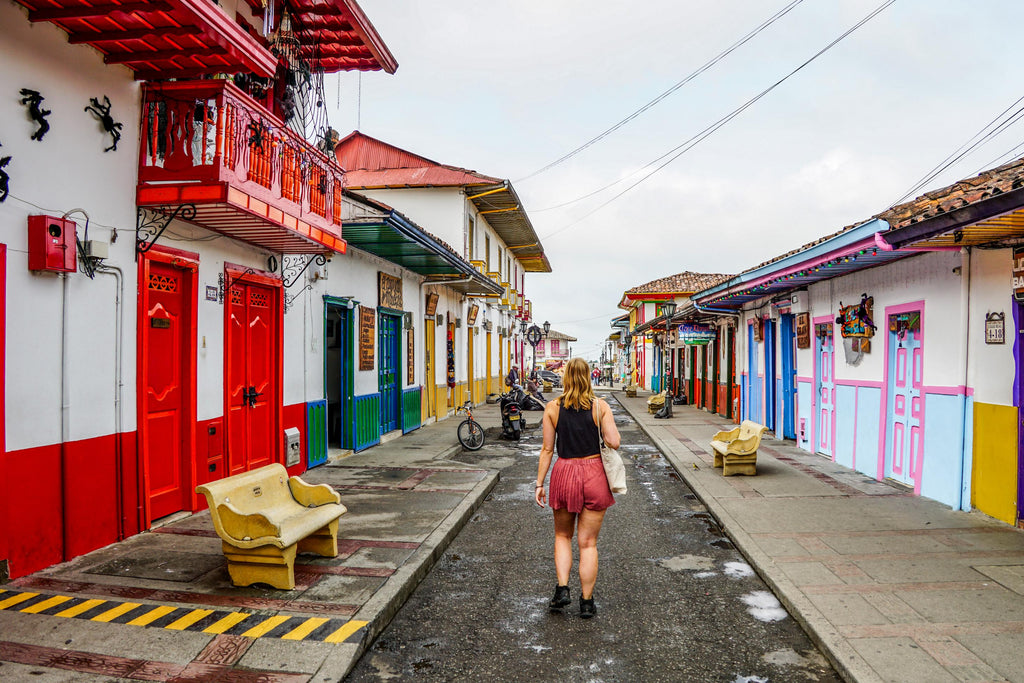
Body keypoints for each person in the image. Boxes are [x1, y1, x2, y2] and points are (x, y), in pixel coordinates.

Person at [534, 356, 621, 618]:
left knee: (562, 536)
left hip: (564, 472)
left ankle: (562, 590)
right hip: (594, 474)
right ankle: (586, 602)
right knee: (588, 543)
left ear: (566, 378)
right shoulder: (600, 407)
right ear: (588, 377)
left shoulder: (552, 408)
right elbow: (614, 442)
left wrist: (540, 483)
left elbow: (548, 449)